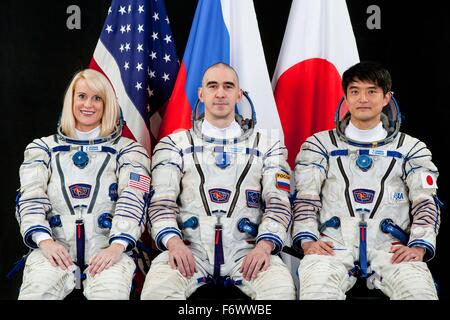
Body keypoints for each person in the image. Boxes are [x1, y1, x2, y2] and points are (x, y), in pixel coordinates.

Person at [140, 62, 296, 300]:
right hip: (189, 249)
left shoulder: (268, 146)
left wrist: (265, 246)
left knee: (281, 291)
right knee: (156, 292)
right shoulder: (175, 145)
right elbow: (161, 202)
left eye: (228, 86)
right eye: (213, 86)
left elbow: (278, 202)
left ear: (239, 94)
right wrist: (174, 243)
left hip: (249, 250)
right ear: (201, 94)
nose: (220, 93)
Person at [292, 61, 441, 300]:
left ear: (386, 98)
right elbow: (305, 198)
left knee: (419, 293)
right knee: (316, 293)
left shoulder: (412, 148)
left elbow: (425, 202)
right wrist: (308, 241)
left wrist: (419, 245)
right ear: (345, 97)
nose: (363, 98)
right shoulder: (319, 145)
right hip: (333, 246)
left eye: (371, 91)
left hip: (391, 249)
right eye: (355, 91)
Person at [15, 69, 151, 299]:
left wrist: (117, 246)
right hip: (53, 249)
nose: (88, 104)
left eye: (97, 98)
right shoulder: (42, 148)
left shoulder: (129, 150)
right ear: (71, 100)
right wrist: (44, 241)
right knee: (36, 292)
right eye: (82, 96)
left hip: (108, 251)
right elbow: (30, 197)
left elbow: (135, 199)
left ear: (107, 104)